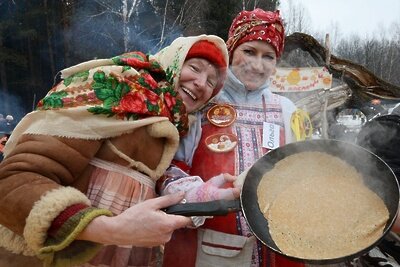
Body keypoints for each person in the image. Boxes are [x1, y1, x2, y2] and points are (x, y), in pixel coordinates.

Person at [0, 34, 239, 267]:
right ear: (173, 60)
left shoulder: (171, 124)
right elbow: (15, 183)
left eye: (211, 83)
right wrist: (110, 229)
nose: (201, 84)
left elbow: (150, 187)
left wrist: (205, 195)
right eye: (195, 68)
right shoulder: (117, 87)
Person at [162, 9, 306, 267]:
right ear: (231, 50)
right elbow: (168, 171)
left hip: (279, 249)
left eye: (268, 56)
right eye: (249, 51)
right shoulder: (203, 99)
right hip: (208, 249)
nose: (257, 65)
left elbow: (302, 172)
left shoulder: (287, 109)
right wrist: (204, 194)